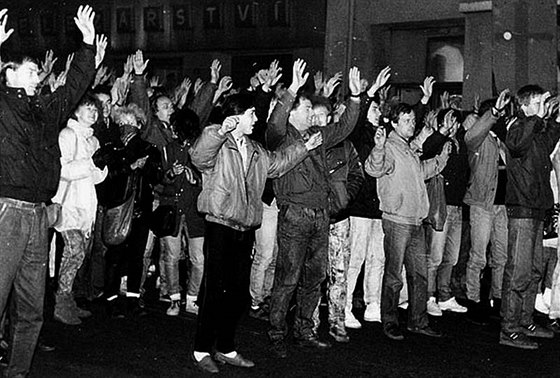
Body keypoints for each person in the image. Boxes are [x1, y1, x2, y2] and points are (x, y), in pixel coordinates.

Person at [190, 92, 322, 374]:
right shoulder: (218, 143)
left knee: (237, 293)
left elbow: (277, 164)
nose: (256, 119)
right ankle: (202, 349)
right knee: (214, 290)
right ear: (235, 117)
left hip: (245, 227)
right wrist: (219, 130)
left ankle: (225, 347)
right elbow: (198, 157)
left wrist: (304, 148)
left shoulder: (256, 150)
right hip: (220, 225)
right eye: (251, 113)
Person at [0, 5, 97, 377]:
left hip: (39, 214)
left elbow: (74, 85)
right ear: (8, 74)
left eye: (38, 71)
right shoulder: (3, 105)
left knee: (31, 307)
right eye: (30, 70)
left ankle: (18, 371)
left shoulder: (45, 108)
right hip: (7, 212)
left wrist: (87, 44)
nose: (38, 75)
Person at [266, 61, 361, 358]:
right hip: (295, 213)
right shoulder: (282, 137)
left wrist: (355, 99)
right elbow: (274, 123)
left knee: (315, 277)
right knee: (288, 276)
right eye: (306, 109)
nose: (312, 114)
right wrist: (292, 90)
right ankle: (277, 332)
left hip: (321, 214)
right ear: (293, 113)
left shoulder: (317, 137)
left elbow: (344, 126)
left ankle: (304, 329)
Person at [365, 103, 450, 341]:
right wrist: (379, 148)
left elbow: (419, 172)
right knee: (394, 275)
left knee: (419, 275)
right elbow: (373, 168)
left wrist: (440, 160)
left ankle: (418, 321)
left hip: (414, 220)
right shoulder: (390, 147)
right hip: (397, 220)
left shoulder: (407, 149)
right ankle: (390, 321)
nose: (412, 125)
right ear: (393, 123)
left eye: (413, 120)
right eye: (406, 121)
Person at [500, 85, 560, 349]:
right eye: (535, 103)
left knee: (534, 269)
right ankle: (509, 329)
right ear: (524, 106)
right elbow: (514, 145)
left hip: (536, 207)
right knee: (519, 271)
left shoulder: (535, 130)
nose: (540, 107)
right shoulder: (518, 126)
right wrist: (537, 117)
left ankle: (525, 322)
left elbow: (548, 142)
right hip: (522, 208)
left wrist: (554, 118)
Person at [310, 96, 364, 343]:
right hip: (313, 217)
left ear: (331, 117)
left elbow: (356, 174)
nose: (318, 121)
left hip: (340, 217)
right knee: (312, 272)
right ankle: (309, 323)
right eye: (314, 116)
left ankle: (337, 321)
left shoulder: (345, 145)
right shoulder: (306, 144)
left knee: (339, 272)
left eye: (323, 116)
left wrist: (345, 197)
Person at [52, 94, 108, 325]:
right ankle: (61, 303)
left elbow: (93, 177)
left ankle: (68, 299)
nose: (93, 113)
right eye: (88, 108)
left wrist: (103, 167)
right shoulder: (68, 135)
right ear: (76, 111)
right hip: (69, 203)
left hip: (86, 204)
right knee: (74, 251)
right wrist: (90, 164)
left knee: (78, 255)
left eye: (95, 110)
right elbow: (63, 170)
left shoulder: (92, 140)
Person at [462, 91, 511, 325]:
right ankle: (473, 300)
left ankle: (497, 299)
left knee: (501, 256)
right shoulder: (478, 140)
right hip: (482, 204)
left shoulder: (502, 141)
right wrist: (494, 114)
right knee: (478, 256)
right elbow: (471, 135)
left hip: (501, 206)